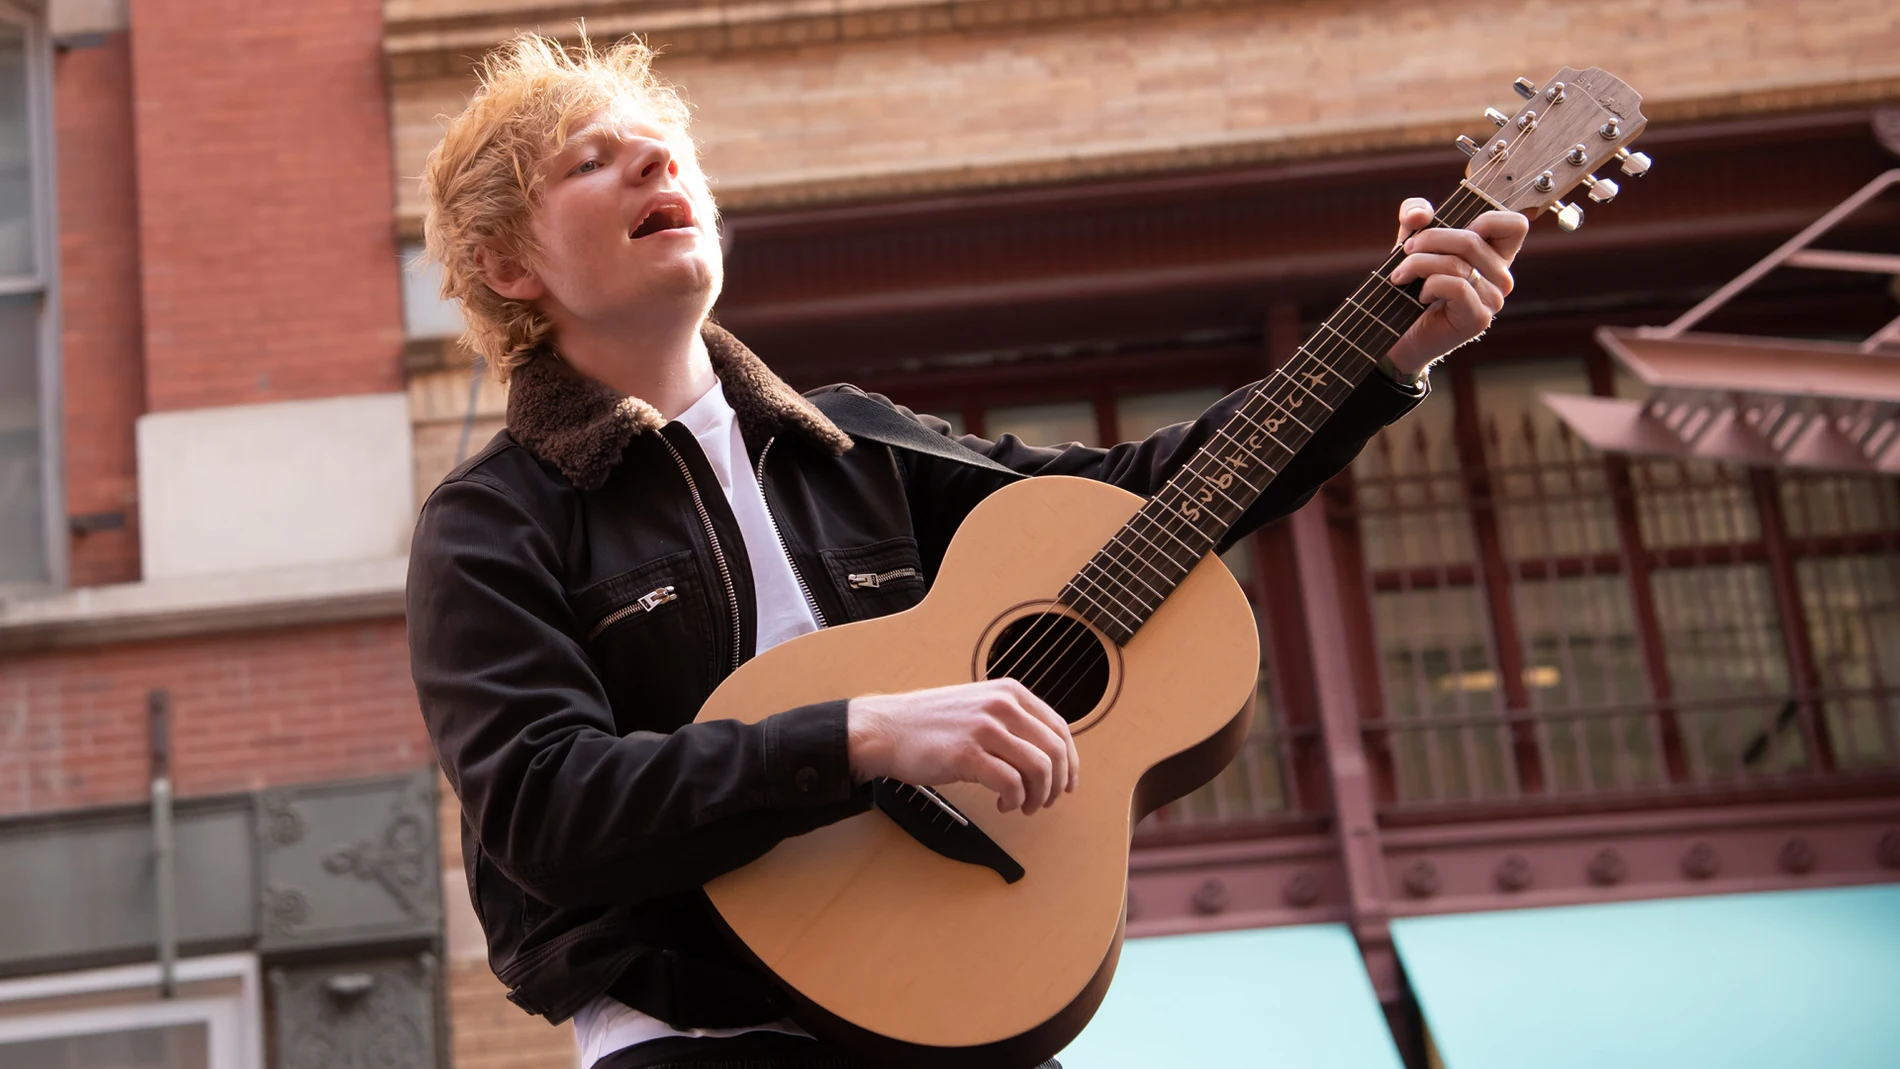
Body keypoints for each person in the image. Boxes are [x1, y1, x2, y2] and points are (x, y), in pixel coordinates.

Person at [406, 33, 1528, 1069]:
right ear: (509, 265)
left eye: (668, 150)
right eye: (595, 162)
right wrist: (871, 733)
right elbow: (546, 810)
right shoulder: (494, 519)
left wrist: (1385, 346)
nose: (656, 159)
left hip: (964, 1001)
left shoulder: (860, 441)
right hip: (702, 1029)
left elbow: (1147, 503)